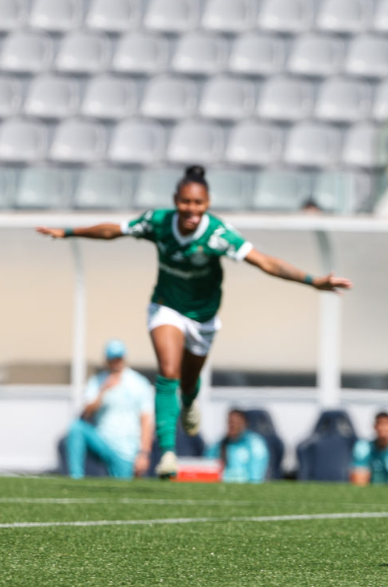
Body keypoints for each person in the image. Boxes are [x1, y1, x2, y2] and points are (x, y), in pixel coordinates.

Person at [37, 166, 351, 480]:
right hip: (166, 307)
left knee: (188, 381)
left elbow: (265, 262)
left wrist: (312, 281)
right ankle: (169, 453)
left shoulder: (218, 235)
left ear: (207, 203)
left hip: (202, 317)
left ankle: (188, 402)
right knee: (168, 371)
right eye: (185, 202)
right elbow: (114, 230)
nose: (191, 209)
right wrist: (68, 232)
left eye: (198, 203)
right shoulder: (158, 222)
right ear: (176, 200)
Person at [65, 340, 153, 479]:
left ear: (124, 359)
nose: (116, 363)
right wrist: (103, 390)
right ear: (106, 360)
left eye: (118, 359)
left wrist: (144, 454)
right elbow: (86, 412)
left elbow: (146, 420)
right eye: (112, 359)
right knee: (76, 428)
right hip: (103, 441)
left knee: (122, 489)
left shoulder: (138, 383)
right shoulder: (97, 381)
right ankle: (76, 477)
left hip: (126, 450)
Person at [205, 409, 270, 484]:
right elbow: (208, 465)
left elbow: (255, 476)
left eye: (237, 422)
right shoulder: (219, 445)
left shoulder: (255, 444)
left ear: (245, 423)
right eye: (230, 422)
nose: (233, 425)